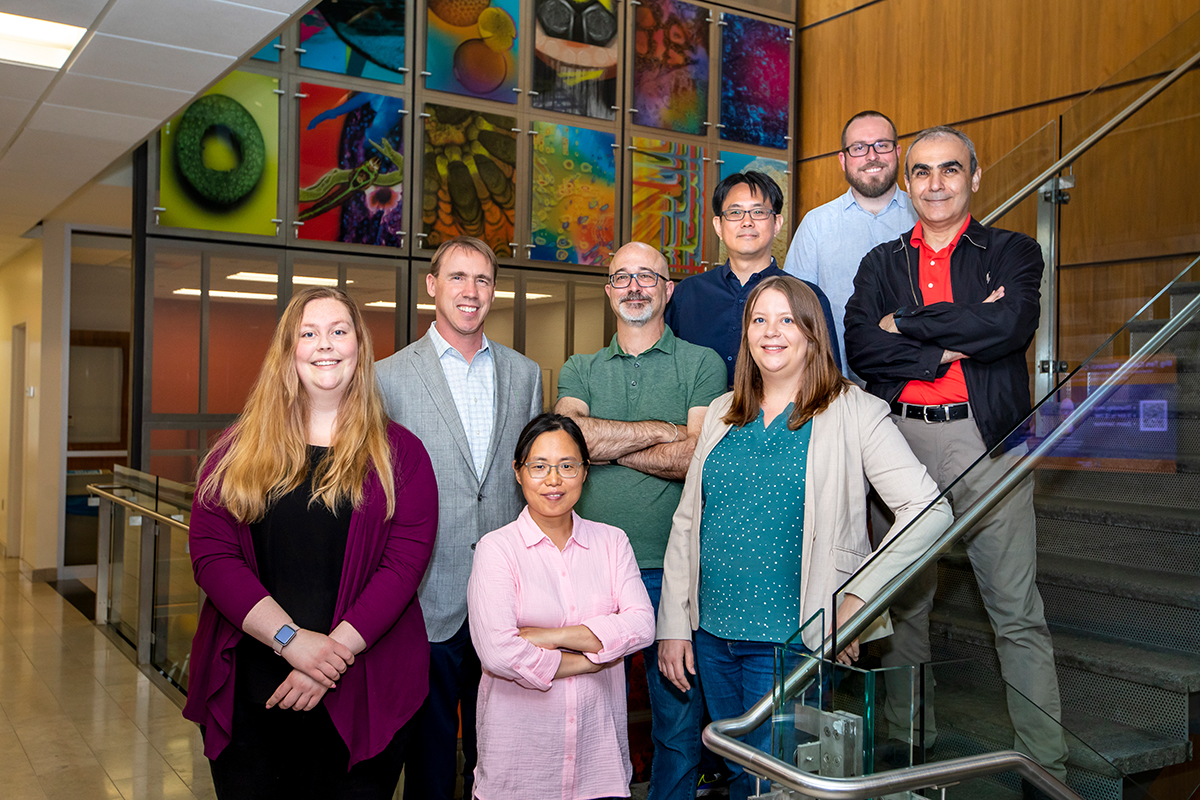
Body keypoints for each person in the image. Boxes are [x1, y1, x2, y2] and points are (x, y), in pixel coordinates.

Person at [657, 275, 951, 800]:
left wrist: (857, 597)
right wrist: (674, 623)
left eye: (788, 319)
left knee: (777, 784)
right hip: (712, 634)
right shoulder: (724, 412)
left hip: (792, 639)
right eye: (759, 320)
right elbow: (686, 523)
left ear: (814, 332)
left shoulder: (854, 411)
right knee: (740, 774)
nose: (772, 332)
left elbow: (929, 511)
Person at [843, 125, 1069, 780]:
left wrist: (907, 325)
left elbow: (1010, 326)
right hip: (898, 444)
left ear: (975, 177)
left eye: (949, 170)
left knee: (1016, 613)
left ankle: (1045, 770)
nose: (934, 183)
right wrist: (958, 331)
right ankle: (908, 753)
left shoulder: (1014, 250)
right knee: (905, 610)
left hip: (987, 439)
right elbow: (861, 345)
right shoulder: (881, 262)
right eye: (920, 172)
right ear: (906, 182)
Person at [183, 287, 438, 799]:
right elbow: (212, 556)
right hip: (255, 689)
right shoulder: (236, 450)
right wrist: (291, 641)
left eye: (339, 331)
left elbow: (403, 566)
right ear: (288, 351)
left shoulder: (402, 455)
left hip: (362, 681)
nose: (326, 345)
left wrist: (329, 658)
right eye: (309, 333)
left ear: (360, 350)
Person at [556, 241, 726, 800]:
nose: (634, 286)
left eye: (647, 276)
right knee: (577, 713)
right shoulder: (578, 368)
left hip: (667, 571)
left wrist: (602, 443)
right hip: (585, 571)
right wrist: (663, 430)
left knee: (676, 723)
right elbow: (566, 446)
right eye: (622, 277)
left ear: (668, 290)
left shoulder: (702, 363)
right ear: (608, 291)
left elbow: (696, 460)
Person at [375, 236, 543, 800]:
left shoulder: (526, 375)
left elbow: (531, 484)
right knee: (427, 757)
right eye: (457, 278)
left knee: (498, 754)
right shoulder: (387, 378)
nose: (471, 292)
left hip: (506, 601)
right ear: (432, 285)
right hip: (424, 599)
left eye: (483, 280)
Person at [467, 413, 655, 800]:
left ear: (585, 472)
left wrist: (550, 637)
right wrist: (595, 658)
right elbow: (498, 652)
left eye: (567, 466)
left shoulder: (612, 542)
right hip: (520, 769)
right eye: (539, 467)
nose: (554, 480)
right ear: (518, 473)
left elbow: (641, 625)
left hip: (597, 763)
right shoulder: (497, 549)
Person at [665, 170, 840, 388]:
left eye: (758, 212)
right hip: (697, 418)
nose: (747, 222)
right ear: (718, 226)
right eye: (735, 213)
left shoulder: (808, 296)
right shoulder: (686, 293)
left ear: (777, 224)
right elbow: (662, 369)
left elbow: (827, 378)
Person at [783, 111, 917, 380]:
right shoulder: (817, 225)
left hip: (918, 384)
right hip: (839, 389)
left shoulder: (925, 217)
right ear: (843, 160)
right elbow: (795, 313)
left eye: (882, 145)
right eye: (859, 148)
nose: (872, 156)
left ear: (898, 152)